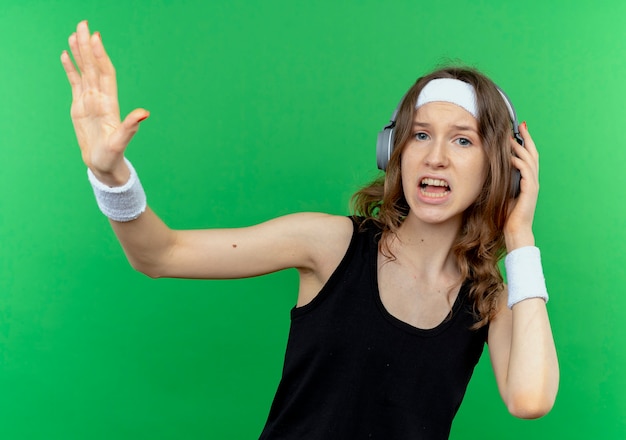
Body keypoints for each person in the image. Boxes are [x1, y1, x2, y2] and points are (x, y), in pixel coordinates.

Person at [61, 20, 559, 440]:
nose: (435, 157)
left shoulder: (488, 298)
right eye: (421, 135)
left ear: (500, 168)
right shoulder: (329, 245)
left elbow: (530, 399)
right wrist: (112, 177)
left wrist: (520, 236)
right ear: (395, 151)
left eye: (463, 141)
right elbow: (160, 255)